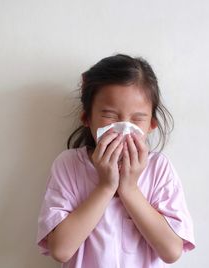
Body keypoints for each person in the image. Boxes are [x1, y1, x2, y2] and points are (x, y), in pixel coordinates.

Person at [36, 54, 196, 267]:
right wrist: (106, 186)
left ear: (151, 125)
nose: (123, 127)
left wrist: (129, 188)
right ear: (87, 118)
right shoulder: (68, 165)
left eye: (137, 119)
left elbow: (171, 251)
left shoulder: (159, 168)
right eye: (110, 116)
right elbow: (61, 250)